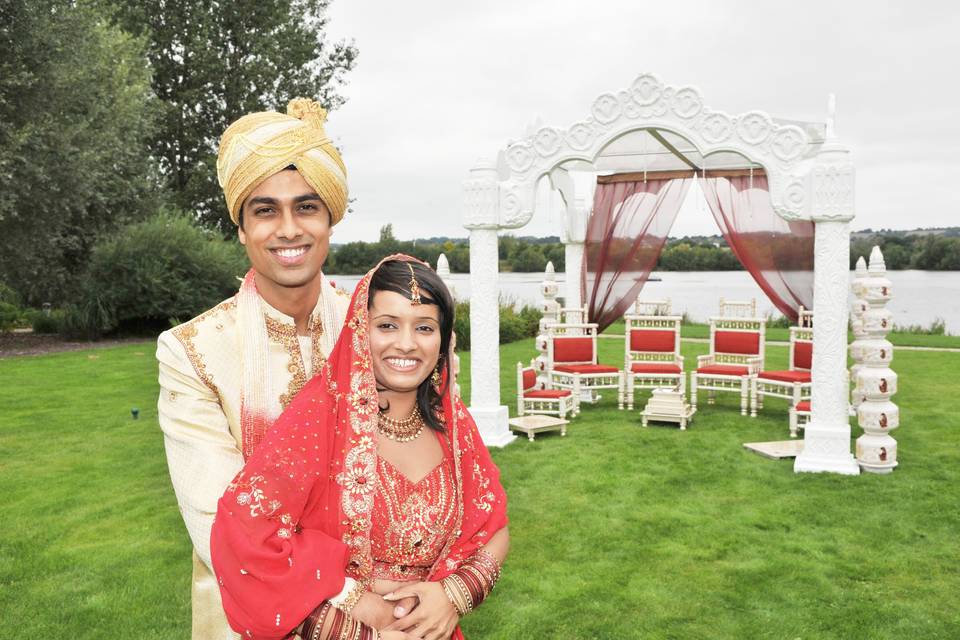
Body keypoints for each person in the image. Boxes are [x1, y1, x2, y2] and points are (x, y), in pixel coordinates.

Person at [210, 257, 510, 640]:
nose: (406, 343)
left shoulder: (453, 426)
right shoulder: (320, 418)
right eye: (387, 325)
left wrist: (453, 595)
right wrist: (358, 627)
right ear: (359, 330)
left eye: (424, 327)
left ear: (443, 339)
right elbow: (242, 536)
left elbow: (493, 524)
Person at [157, 98, 351, 640]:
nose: (288, 229)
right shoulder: (192, 351)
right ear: (241, 228)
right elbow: (218, 524)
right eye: (265, 210)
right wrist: (358, 601)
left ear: (330, 218)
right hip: (248, 619)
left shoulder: (374, 332)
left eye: (306, 207)